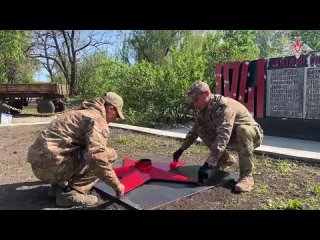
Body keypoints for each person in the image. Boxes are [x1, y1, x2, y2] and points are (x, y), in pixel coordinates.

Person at [27, 92, 125, 207]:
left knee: (82, 149)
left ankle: (58, 186)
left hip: (39, 166)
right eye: (116, 115)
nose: (115, 119)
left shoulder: (78, 113)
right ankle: (70, 194)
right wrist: (116, 184)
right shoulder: (97, 119)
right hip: (52, 168)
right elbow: (96, 156)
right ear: (110, 108)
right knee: (109, 154)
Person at [172, 81, 263, 192]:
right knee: (202, 130)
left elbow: (223, 134)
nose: (194, 104)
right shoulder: (202, 111)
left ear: (206, 94)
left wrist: (209, 163)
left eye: (196, 99)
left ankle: (246, 177)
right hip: (233, 136)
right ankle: (224, 159)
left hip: (251, 134)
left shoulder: (224, 106)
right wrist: (181, 149)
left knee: (242, 130)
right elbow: (194, 131)